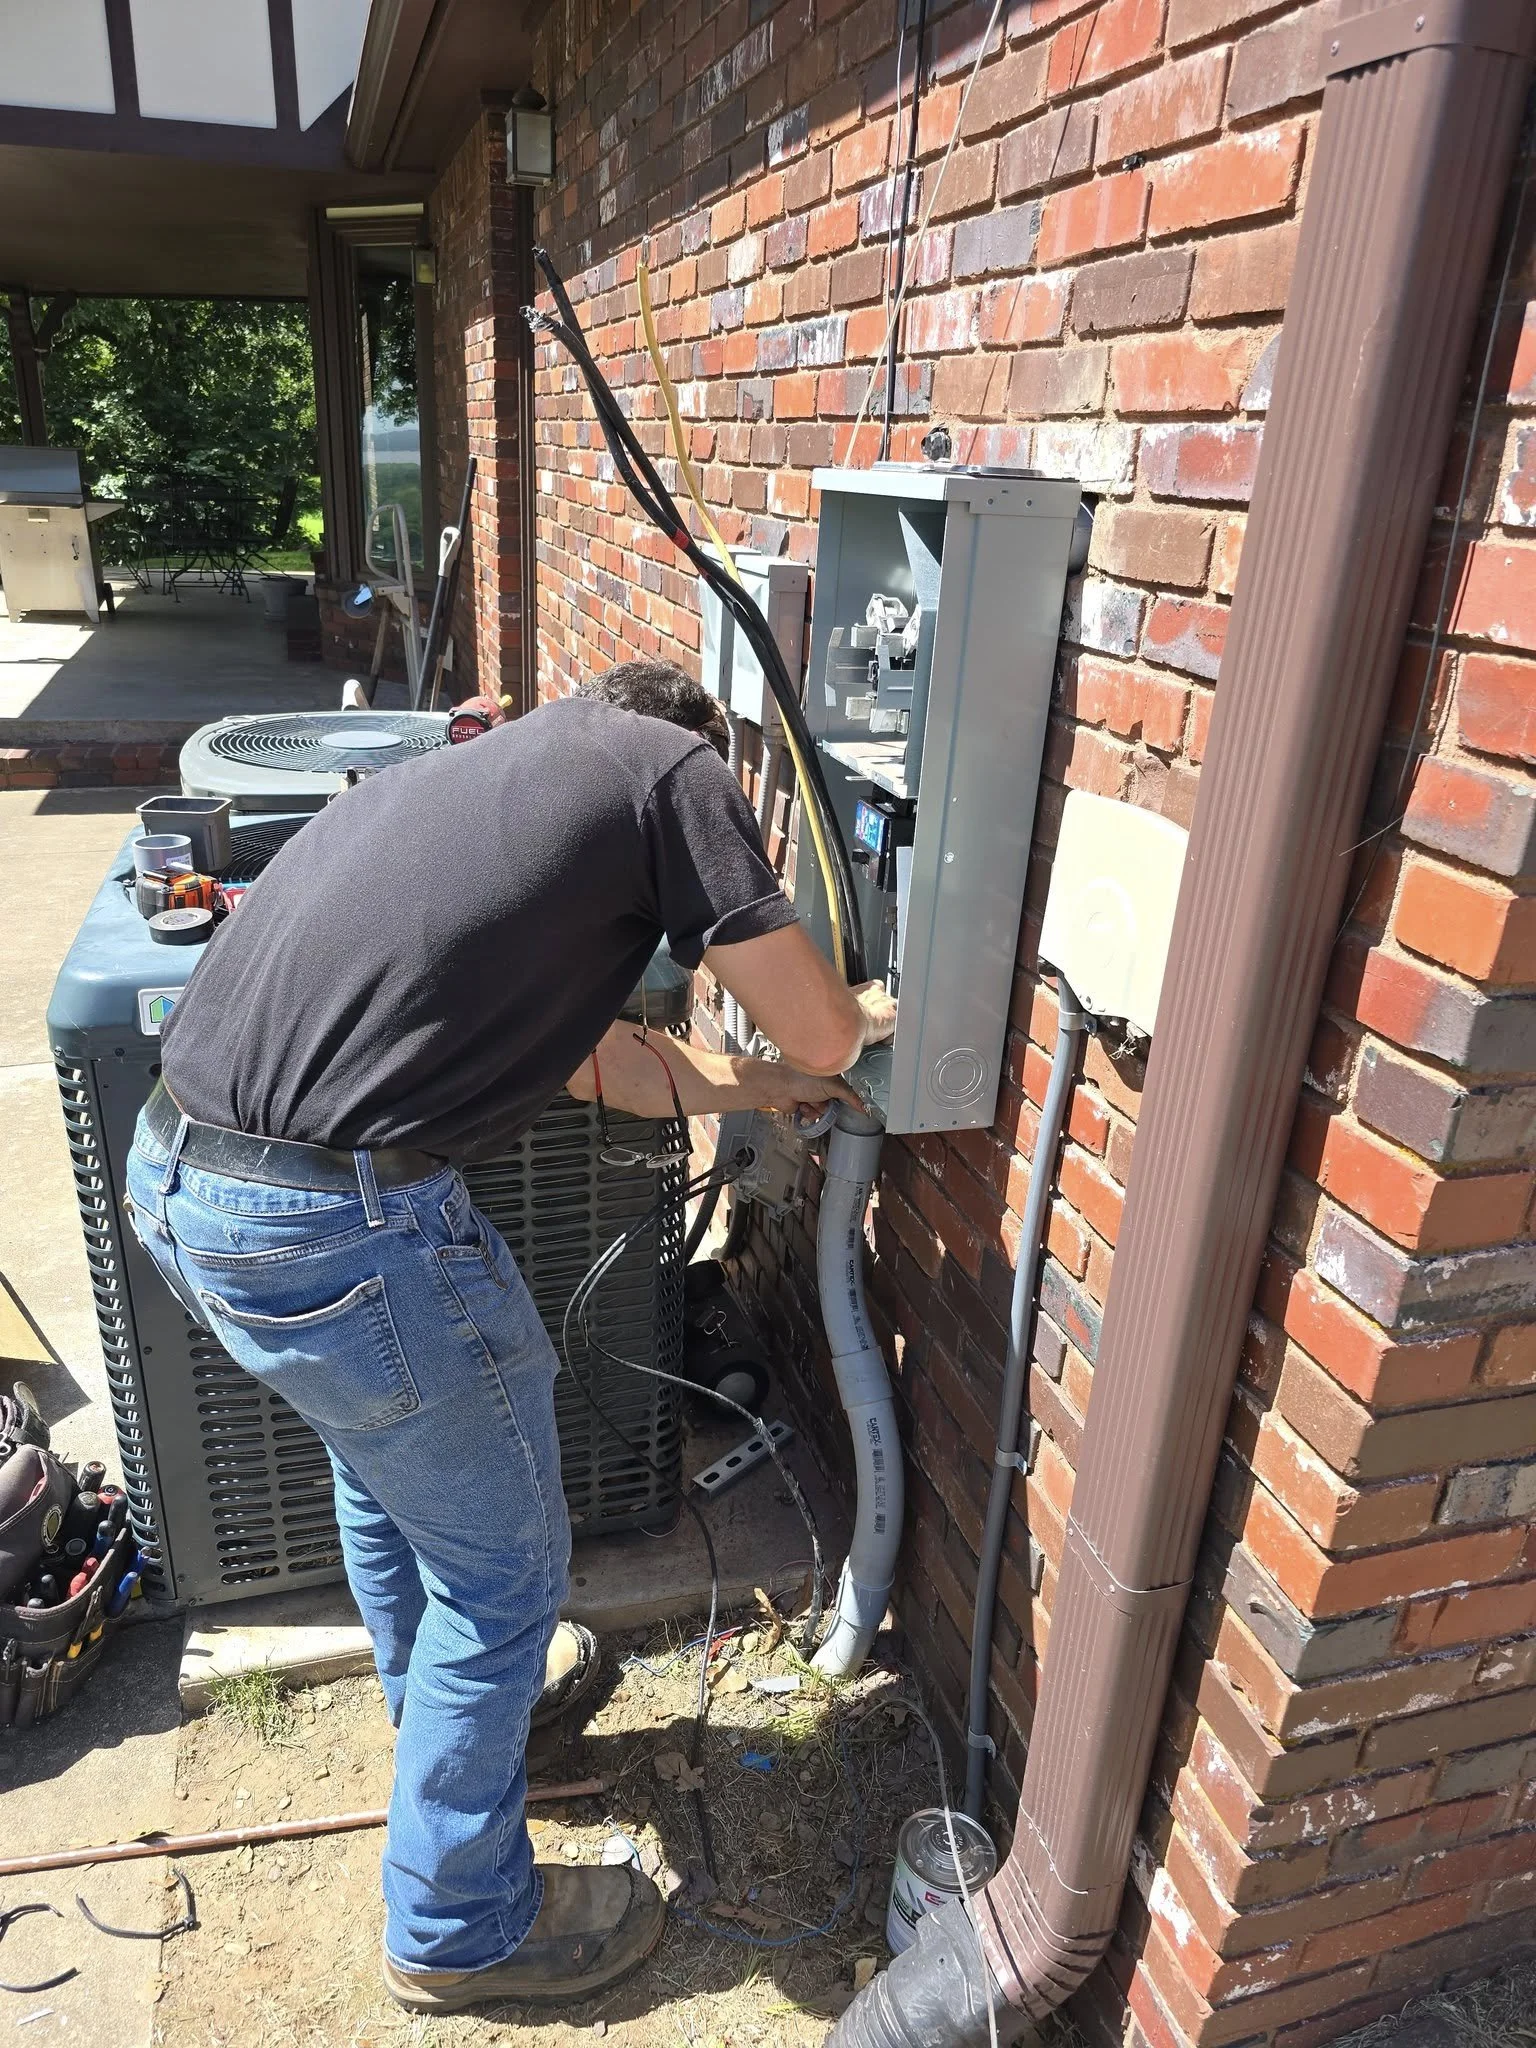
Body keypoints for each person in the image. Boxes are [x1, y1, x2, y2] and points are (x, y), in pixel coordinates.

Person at [124, 661, 896, 2015]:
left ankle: (446, 1735)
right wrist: (854, 1034)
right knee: (505, 1572)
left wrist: (766, 1083)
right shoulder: (668, 768)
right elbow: (826, 1015)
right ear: (687, 742)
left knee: (389, 1477)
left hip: (187, 1190)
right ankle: (458, 1922)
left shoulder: (473, 789)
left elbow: (614, 1065)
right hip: (336, 1225)